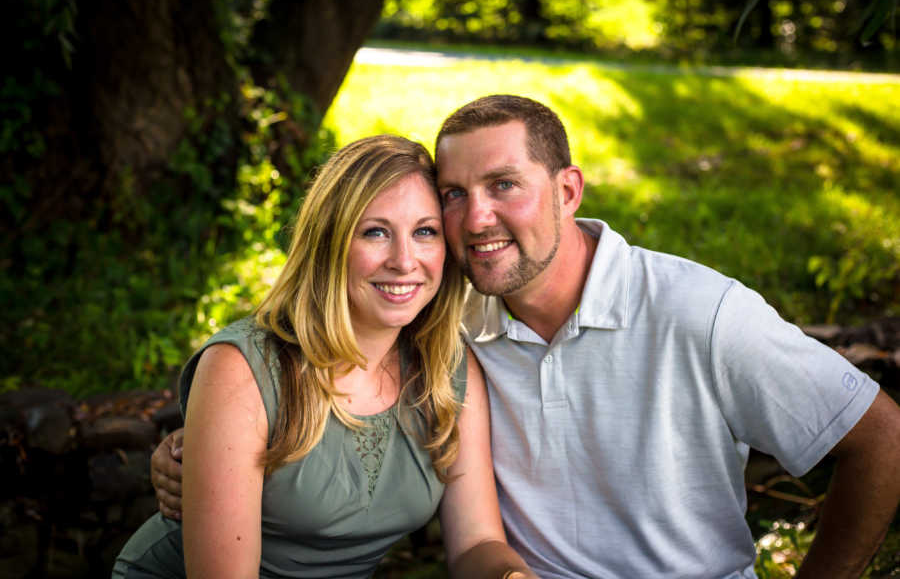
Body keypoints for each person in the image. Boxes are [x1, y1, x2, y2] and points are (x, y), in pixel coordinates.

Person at [151, 97, 900, 578]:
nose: (474, 219)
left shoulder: (699, 315)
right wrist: (201, 449)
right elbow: (320, 327)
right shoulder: (456, 321)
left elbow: (881, 436)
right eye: (455, 195)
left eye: (504, 185)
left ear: (568, 191)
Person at [113, 135, 535, 578]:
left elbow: (477, 542)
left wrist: (512, 577)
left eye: (425, 232)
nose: (405, 260)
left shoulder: (446, 369)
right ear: (329, 242)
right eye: (375, 232)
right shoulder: (242, 370)